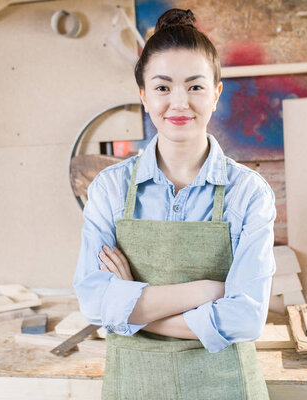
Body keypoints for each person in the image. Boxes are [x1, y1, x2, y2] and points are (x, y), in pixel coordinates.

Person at [73, 8, 275, 400]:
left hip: (225, 387)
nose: (179, 102)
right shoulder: (110, 190)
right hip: (136, 385)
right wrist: (208, 290)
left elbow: (247, 319)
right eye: (163, 87)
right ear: (144, 96)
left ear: (216, 94)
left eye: (195, 87)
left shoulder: (248, 193)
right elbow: (94, 304)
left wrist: (132, 306)